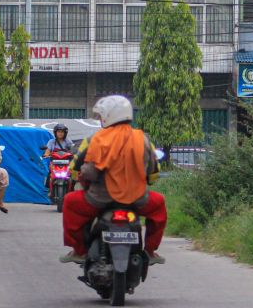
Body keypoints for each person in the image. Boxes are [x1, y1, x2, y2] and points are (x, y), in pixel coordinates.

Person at [58, 96, 166, 266]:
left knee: (70, 202)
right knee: (159, 205)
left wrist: (84, 175)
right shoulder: (142, 138)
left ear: (109, 116)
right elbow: (153, 172)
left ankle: (79, 251)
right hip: (137, 199)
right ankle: (150, 251)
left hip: (99, 199)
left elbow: (89, 172)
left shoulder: (97, 139)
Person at [43, 124, 75, 189]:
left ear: (65, 133)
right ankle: (49, 188)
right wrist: (46, 155)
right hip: (54, 163)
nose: (60, 133)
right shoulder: (51, 142)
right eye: (59, 132)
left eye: (62, 132)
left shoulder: (68, 141)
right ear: (55, 133)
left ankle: (72, 188)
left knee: (72, 175)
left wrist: (74, 153)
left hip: (66, 163)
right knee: (50, 173)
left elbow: (73, 150)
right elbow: (47, 151)